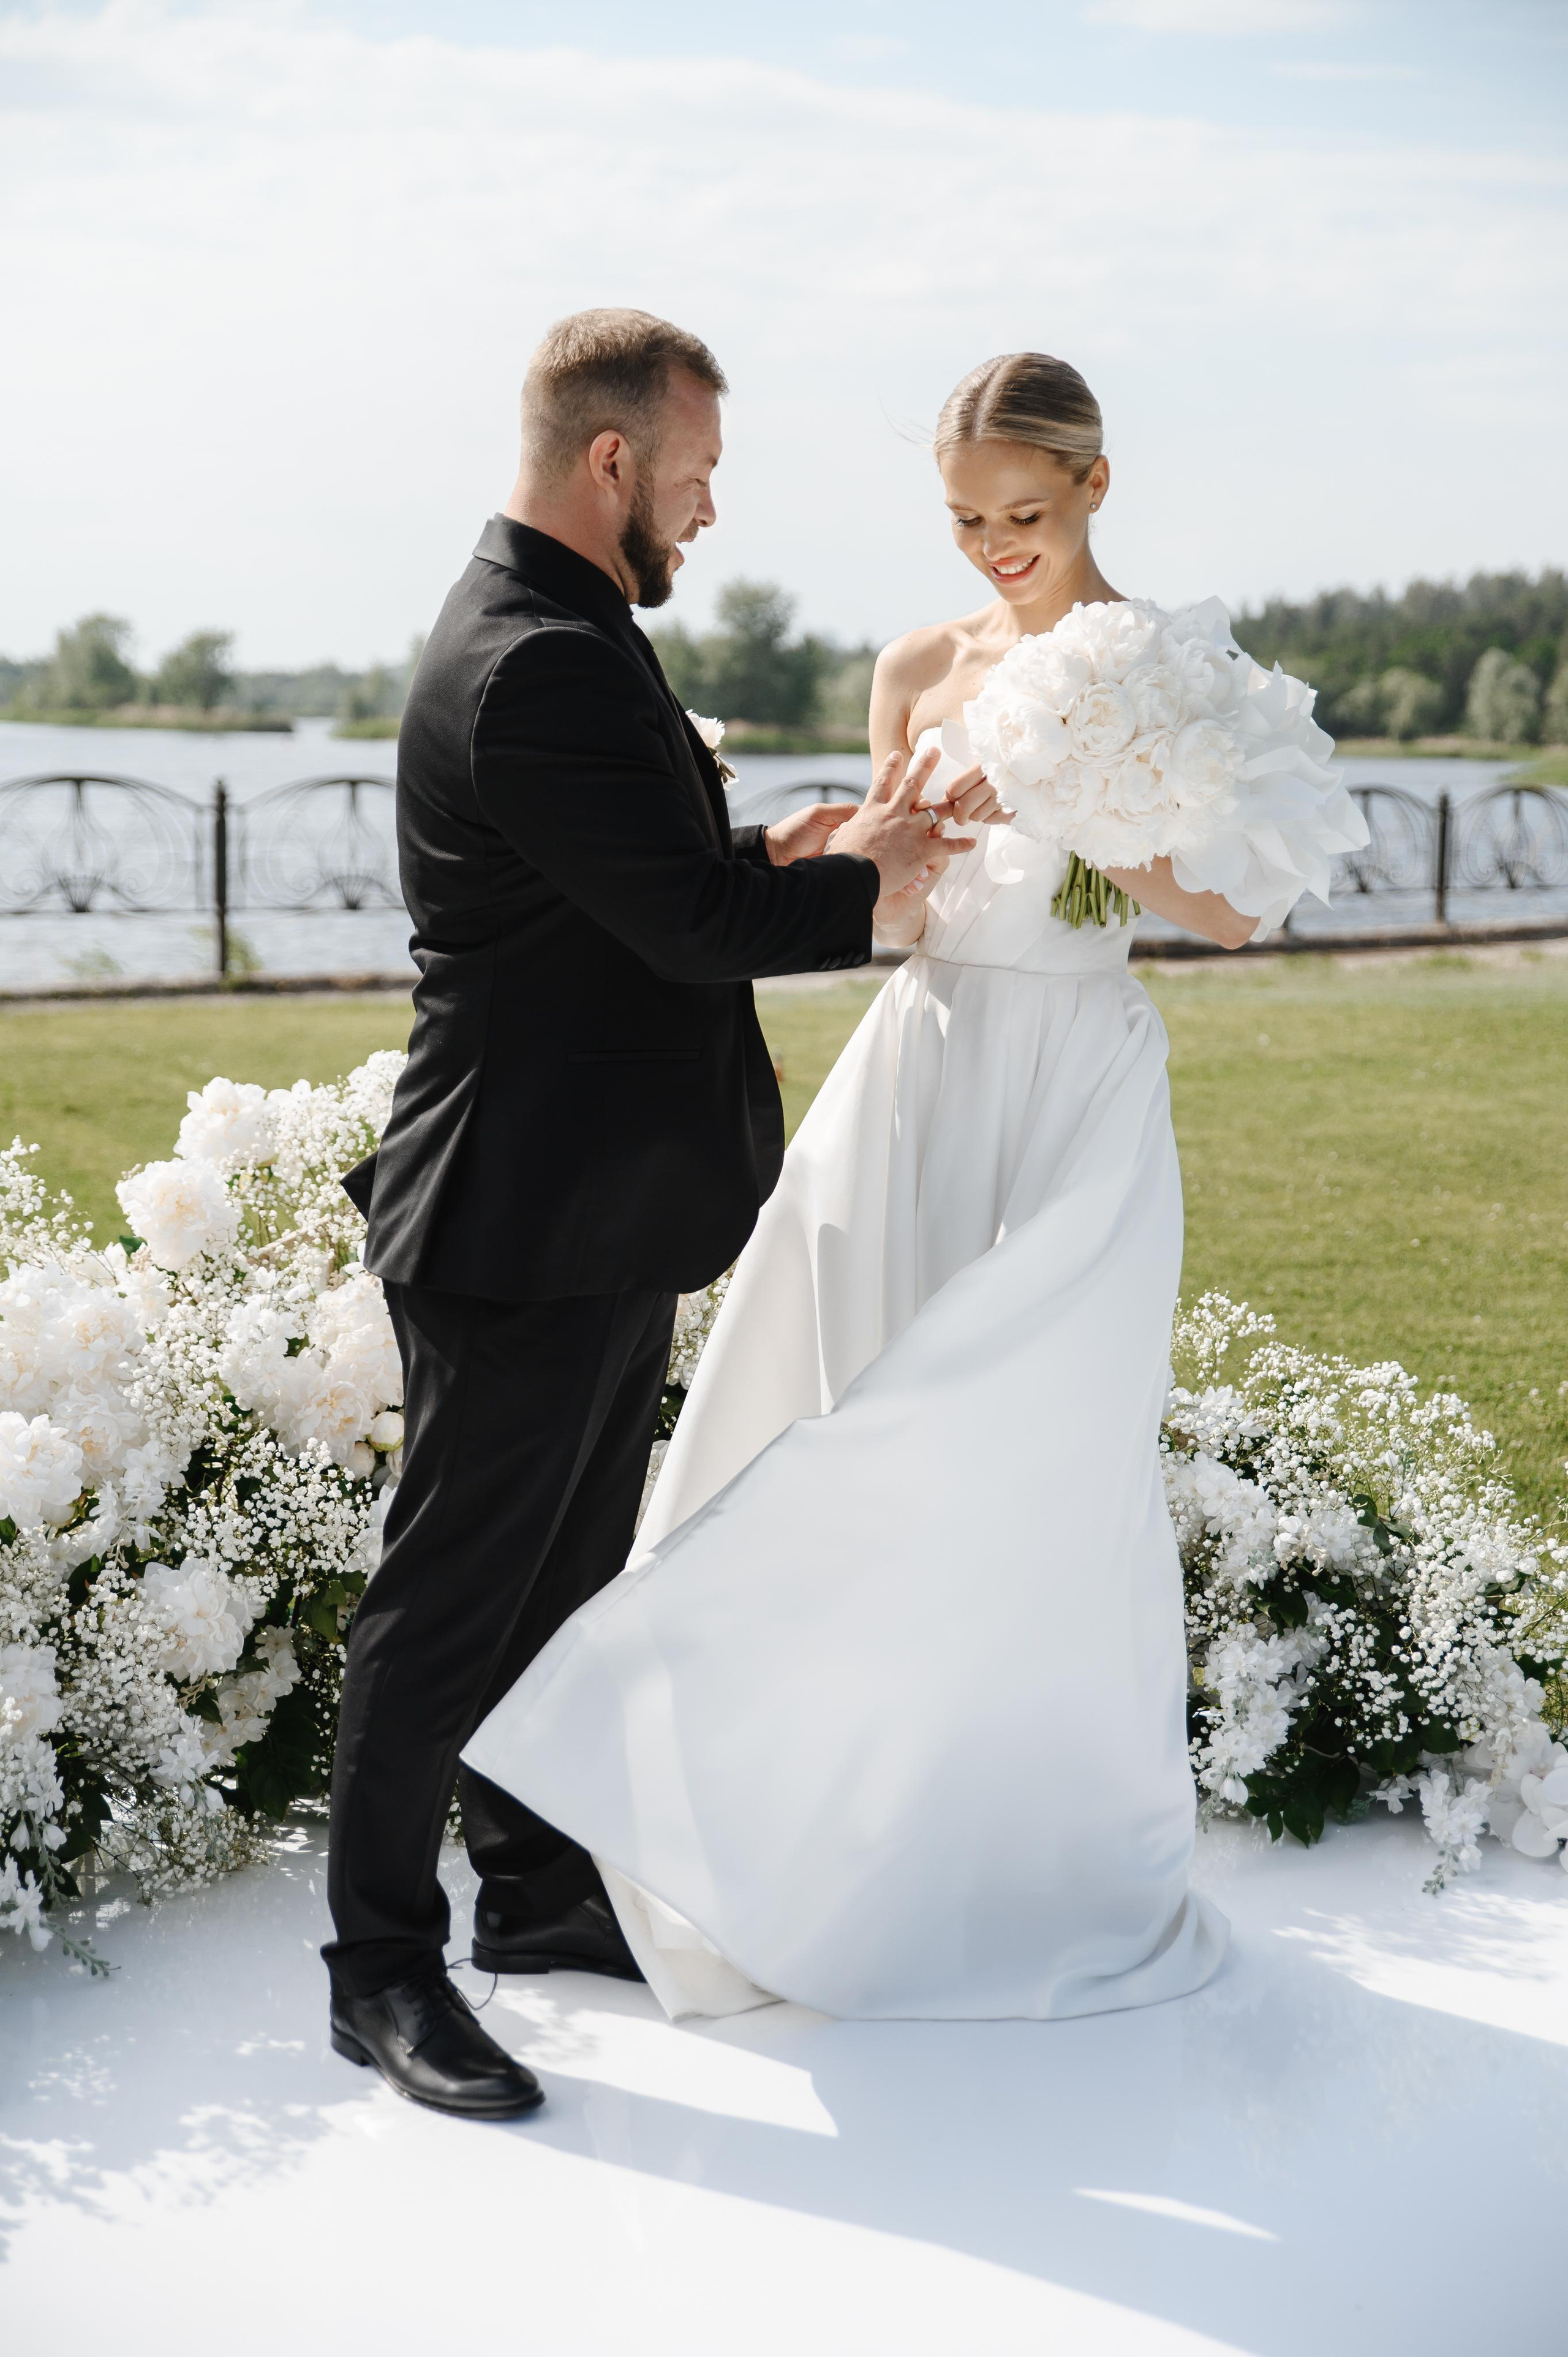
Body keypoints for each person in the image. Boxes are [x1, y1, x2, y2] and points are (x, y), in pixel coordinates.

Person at [464, 350, 1270, 2024]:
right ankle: (800, 1835)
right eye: (967, 518)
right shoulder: (916, 663)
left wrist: (1068, 788)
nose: (993, 547)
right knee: (845, 1424)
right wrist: (836, 851)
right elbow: (894, 907)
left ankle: (1010, 1853)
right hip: (922, 1073)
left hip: (1076, 1089)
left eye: (1025, 515)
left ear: (1096, 490)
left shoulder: (1171, 668)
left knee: (1032, 1454)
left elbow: (1232, 915)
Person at [324, 308, 988, 2119]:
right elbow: (685, 937)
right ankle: (375, 1968)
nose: (708, 510)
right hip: (516, 1215)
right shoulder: (537, 655)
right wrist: (882, 893)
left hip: (591, 1208)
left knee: (562, 1588)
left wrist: (775, 849)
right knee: (449, 1602)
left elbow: (645, 889)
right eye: (695, 474)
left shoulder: (567, 629)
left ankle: (535, 1900)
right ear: (611, 461)